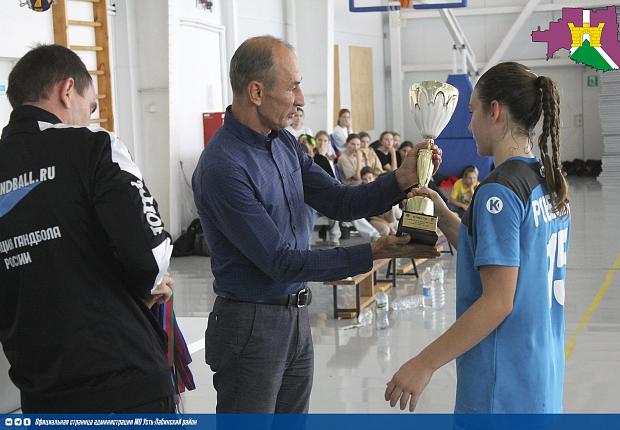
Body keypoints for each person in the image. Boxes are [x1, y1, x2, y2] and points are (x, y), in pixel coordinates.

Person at [191, 35, 442, 414]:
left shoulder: (285, 144)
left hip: (295, 316)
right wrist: (372, 252)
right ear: (256, 92)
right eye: (292, 86)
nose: (301, 98)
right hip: (251, 325)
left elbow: (340, 201)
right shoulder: (223, 167)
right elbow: (280, 261)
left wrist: (402, 179)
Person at [385, 62, 570, 413]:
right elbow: (498, 255)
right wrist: (443, 215)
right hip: (540, 369)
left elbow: (498, 301)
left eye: (472, 113)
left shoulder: (498, 192)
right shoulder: (545, 179)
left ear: (494, 111)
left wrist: (423, 363)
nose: (469, 126)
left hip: (502, 381)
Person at [0, 45, 175, 413]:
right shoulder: (93, 146)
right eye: (90, 106)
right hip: (122, 378)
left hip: (40, 390)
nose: (89, 117)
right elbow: (151, 257)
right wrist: (149, 288)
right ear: (67, 90)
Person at [361, 167, 401, 237]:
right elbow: (369, 216)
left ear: (374, 177)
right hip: (371, 219)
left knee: (398, 228)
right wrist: (386, 223)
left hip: (384, 218)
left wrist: (391, 204)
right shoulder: (365, 193)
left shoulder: (386, 193)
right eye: (365, 179)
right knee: (386, 229)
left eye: (370, 178)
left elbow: (391, 220)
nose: (368, 181)